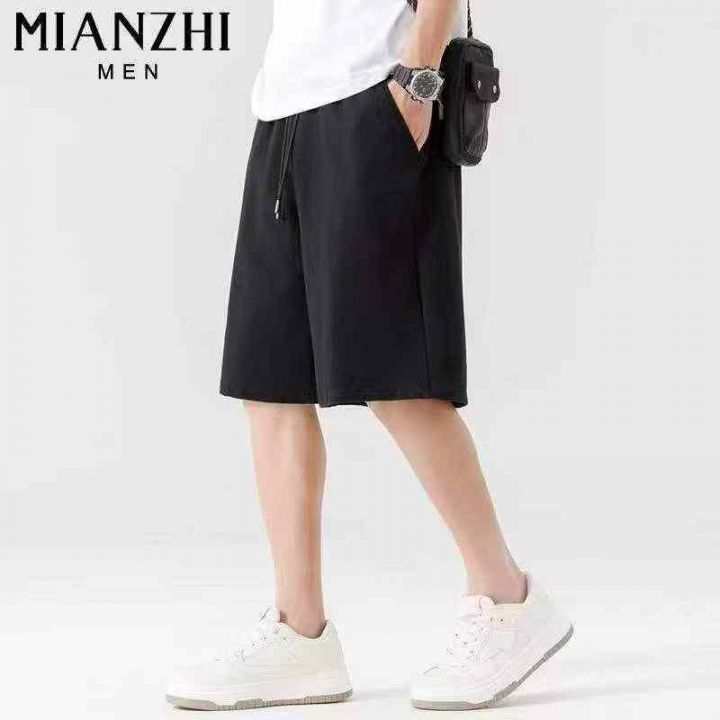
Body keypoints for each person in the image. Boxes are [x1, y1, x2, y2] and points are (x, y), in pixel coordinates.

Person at [166, 0, 572, 711]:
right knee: (272, 381)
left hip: (377, 94)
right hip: (284, 108)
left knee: (398, 374)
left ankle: (507, 597)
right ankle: (300, 633)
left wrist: (417, 80)